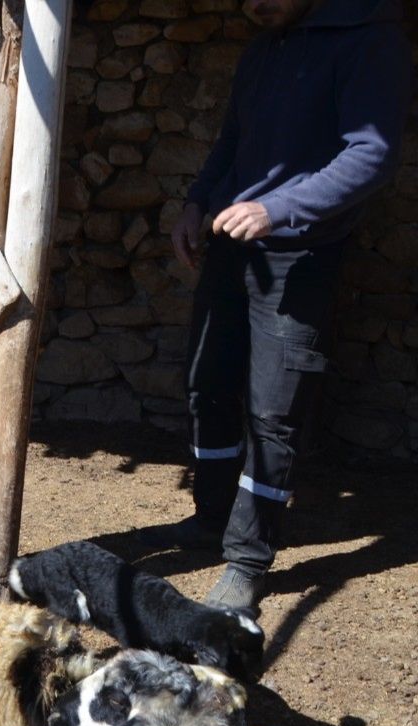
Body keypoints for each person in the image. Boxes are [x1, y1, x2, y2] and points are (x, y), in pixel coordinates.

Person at [147, 0, 409, 614]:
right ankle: (210, 518)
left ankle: (246, 562)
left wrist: (278, 209)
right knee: (205, 385)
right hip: (230, 245)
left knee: (275, 413)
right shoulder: (266, 46)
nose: (248, 7)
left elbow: (371, 155)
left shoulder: (371, 40)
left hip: (300, 256)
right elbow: (233, 142)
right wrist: (196, 203)